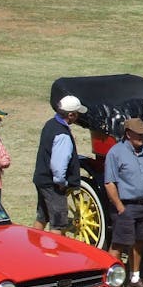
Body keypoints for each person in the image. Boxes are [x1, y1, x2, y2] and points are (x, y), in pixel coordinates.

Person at [104, 118, 143, 287]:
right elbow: (109, 183)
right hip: (126, 206)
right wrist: (120, 207)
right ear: (128, 134)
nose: (142, 137)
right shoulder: (115, 153)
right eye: (139, 133)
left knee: (139, 242)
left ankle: (134, 278)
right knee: (119, 243)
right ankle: (114, 282)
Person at [32, 95, 88, 235]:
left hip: (42, 180)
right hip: (54, 185)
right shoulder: (62, 135)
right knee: (58, 225)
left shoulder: (50, 124)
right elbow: (58, 165)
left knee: (42, 217)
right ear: (70, 115)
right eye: (77, 114)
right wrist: (61, 182)